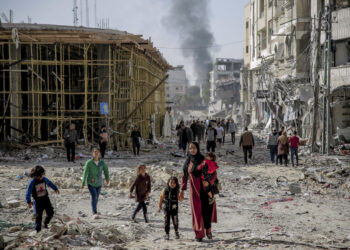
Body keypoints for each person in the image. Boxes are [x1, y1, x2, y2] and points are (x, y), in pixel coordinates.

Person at [179, 142, 217, 241]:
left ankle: (208, 230)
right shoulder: (188, 161)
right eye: (190, 148)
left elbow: (214, 173)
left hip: (205, 190)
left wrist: (209, 183)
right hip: (194, 191)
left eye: (194, 148)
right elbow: (184, 176)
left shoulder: (203, 160)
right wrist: (182, 189)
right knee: (196, 212)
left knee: (206, 211)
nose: (192, 150)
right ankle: (199, 234)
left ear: (198, 148)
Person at [25, 165, 60, 232]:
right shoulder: (32, 182)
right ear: (36, 175)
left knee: (50, 212)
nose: (43, 176)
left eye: (43, 174)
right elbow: (28, 192)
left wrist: (55, 188)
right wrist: (28, 201)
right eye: (41, 175)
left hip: (46, 199)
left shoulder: (44, 179)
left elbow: (50, 183)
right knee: (38, 217)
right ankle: (37, 230)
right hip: (37, 201)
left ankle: (45, 223)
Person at [82, 148, 110, 218]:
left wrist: (107, 179)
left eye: (97, 152)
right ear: (92, 153)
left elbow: (106, 170)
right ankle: (94, 212)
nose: (96, 153)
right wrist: (83, 183)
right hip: (91, 183)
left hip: (99, 183)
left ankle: (95, 210)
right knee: (94, 197)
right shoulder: (89, 162)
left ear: (99, 153)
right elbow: (85, 173)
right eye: (95, 152)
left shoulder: (101, 162)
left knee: (96, 198)